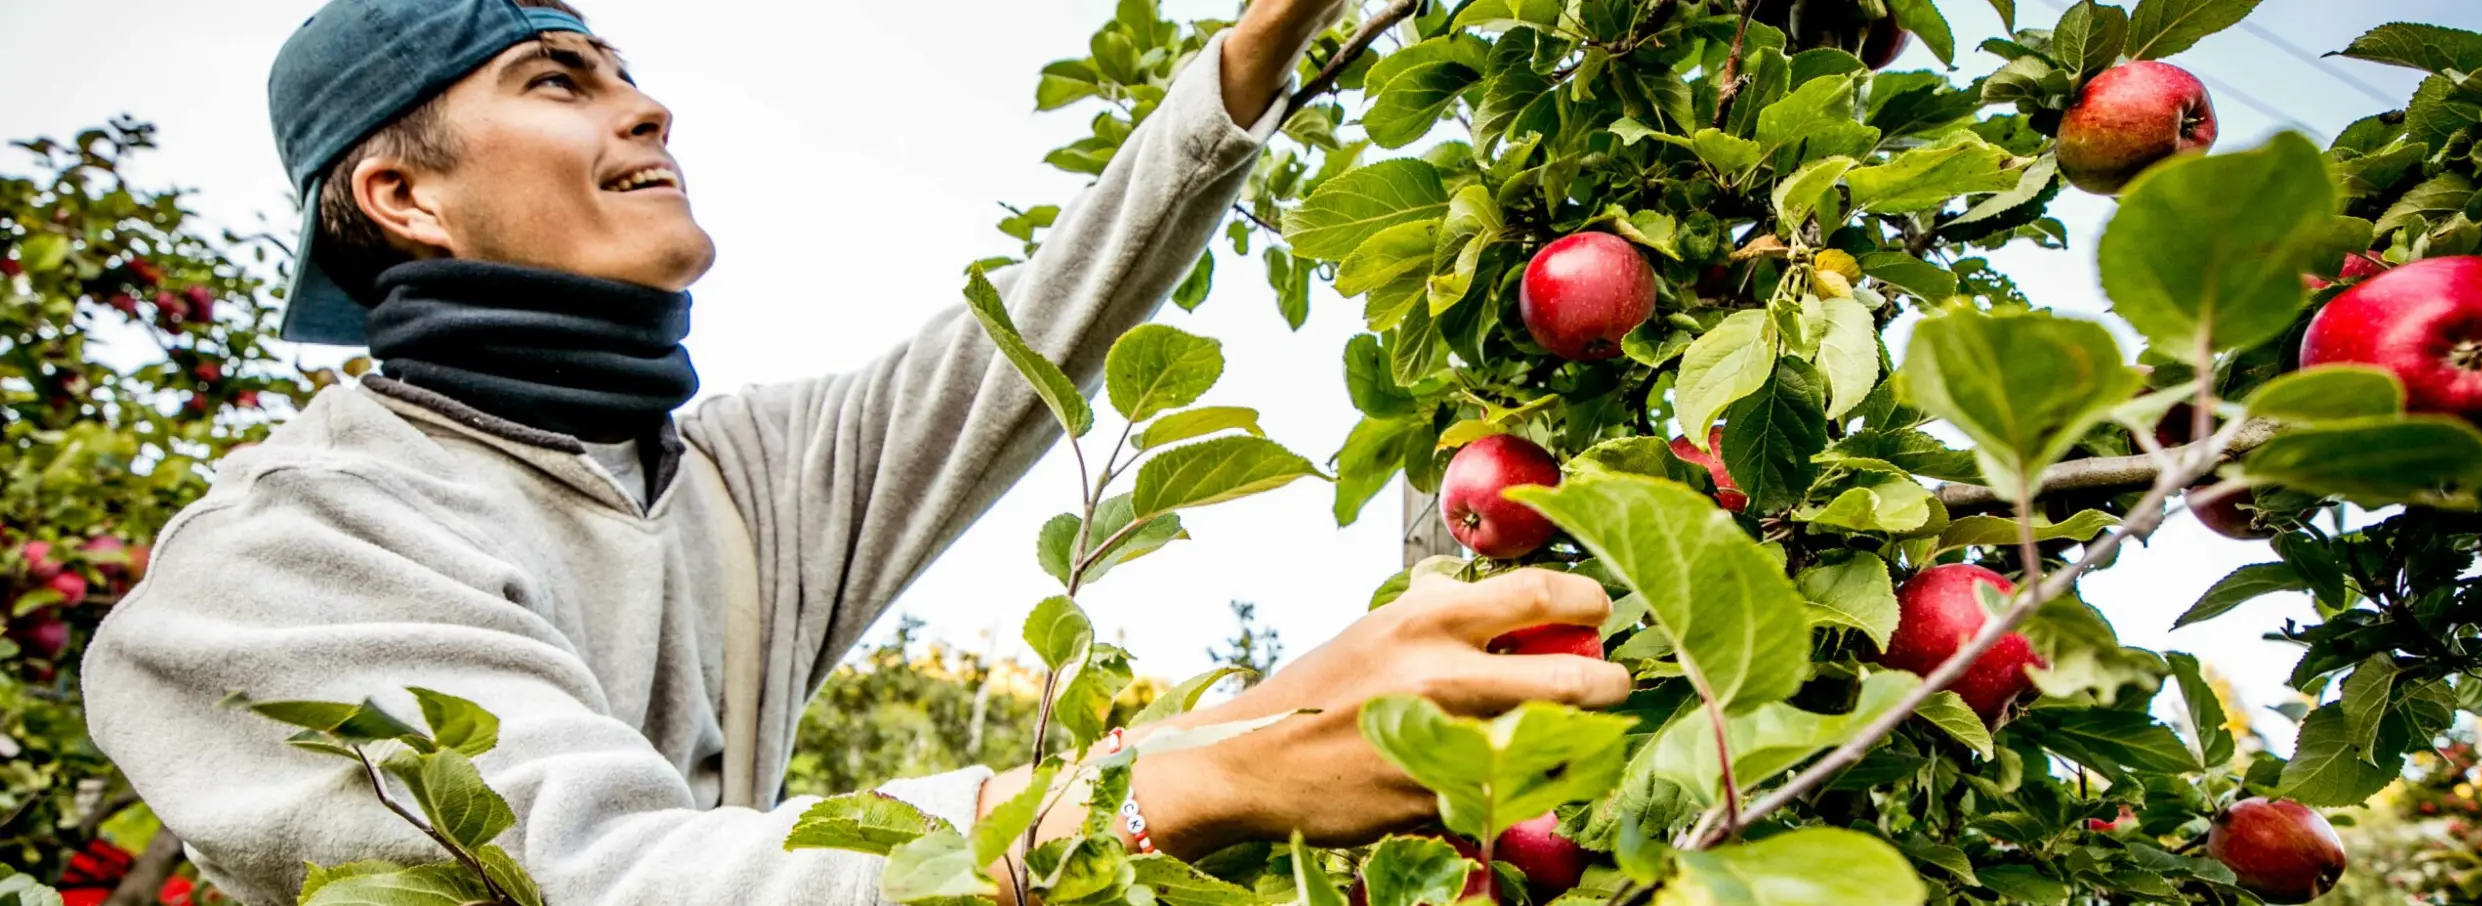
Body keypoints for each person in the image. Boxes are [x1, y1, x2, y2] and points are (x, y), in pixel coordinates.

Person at [79, 1, 1634, 903]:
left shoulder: (720, 473)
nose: (647, 104)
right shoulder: (282, 557)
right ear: (403, 197)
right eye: (559, 80)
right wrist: (1195, 770)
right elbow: (612, 879)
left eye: (622, 66)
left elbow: (1018, 345)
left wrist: (1251, 54)